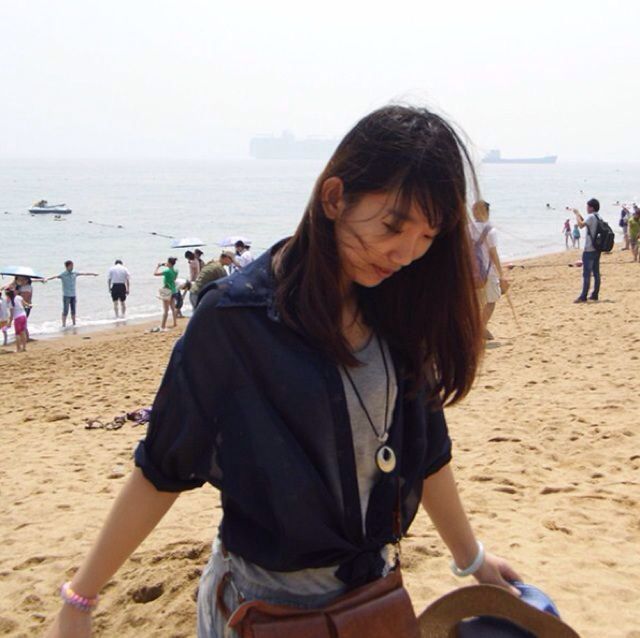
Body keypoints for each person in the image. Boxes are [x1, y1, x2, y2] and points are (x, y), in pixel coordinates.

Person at [46, 105, 520, 638]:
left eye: (428, 236)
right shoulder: (236, 319)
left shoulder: (397, 309)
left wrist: (472, 558)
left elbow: (426, 449)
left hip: (372, 599)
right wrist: (81, 597)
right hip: (262, 611)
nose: (406, 254)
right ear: (335, 197)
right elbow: (162, 468)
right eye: (393, 225)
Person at [469, 200, 510, 340]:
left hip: (470, 271)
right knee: (492, 300)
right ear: (487, 212)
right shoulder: (490, 230)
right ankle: (481, 327)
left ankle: (476, 328)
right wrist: (501, 275)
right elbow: (493, 253)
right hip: (487, 271)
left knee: (475, 301)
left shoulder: (466, 228)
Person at [44, 261, 99, 327]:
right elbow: (55, 276)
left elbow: (84, 273)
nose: (72, 267)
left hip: (73, 295)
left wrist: (93, 274)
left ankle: (74, 324)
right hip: (66, 295)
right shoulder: (63, 274)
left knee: (73, 310)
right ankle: (63, 325)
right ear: (67, 267)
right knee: (65, 310)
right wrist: (46, 279)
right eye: (71, 266)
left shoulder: (74, 273)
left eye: (72, 266)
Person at [573, 198, 602, 303]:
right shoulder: (598, 216)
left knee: (586, 273)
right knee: (596, 273)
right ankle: (595, 294)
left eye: (588, 206)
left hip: (589, 249)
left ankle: (583, 296)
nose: (586, 208)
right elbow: (585, 222)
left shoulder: (591, 217)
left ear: (591, 207)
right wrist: (579, 215)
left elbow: (581, 225)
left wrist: (576, 214)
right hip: (597, 248)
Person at [154, 257, 178, 330]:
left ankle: (163, 326)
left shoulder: (167, 271)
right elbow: (174, 279)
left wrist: (158, 267)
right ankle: (175, 323)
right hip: (173, 289)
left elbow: (155, 274)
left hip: (166, 290)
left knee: (166, 310)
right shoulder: (176, 271)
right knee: (173, 308)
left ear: (169, 263)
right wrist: (164, 265)